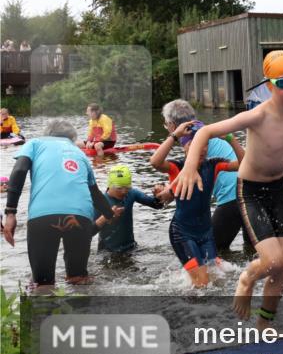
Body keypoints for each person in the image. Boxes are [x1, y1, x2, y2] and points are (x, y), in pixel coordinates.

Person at [173, 51, 283, 327]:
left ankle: (264, 325)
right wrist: (189, 167)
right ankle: (247, 278)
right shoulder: (257, 116)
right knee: (271, 261)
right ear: (270, 86)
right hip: (250, 191)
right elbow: (205, 132)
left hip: (279, 191)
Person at [2, 119, 119, 289]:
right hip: (80, 216)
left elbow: (19, 170)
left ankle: (43, 301)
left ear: (47, 134)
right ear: (72, 138)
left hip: (43, 215)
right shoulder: (80, 153)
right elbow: (95, 193)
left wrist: (10, 212)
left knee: (42, 285)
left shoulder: (35, 143)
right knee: (78, 280)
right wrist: (109, 215)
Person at [150, 120, 242, 288]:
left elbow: (244, 163)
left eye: (204, 144)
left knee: (215, 281)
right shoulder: (177, 167)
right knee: (202, 284)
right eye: (192, 144)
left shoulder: (213, 165)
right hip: (183, 233)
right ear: (184, 147)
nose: (201, 148)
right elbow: (155, 162)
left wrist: (230, 138)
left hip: (206, 234)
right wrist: (175, 135)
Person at [160, 99, 247, 252]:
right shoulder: (206, 131)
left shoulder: (193, 140)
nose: (166, 128)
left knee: (211, 251)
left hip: (232, 196)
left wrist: (170, 192)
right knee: (253, 251)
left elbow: (188, 175)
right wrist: (171, 190)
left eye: (166, 125)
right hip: (250, 191)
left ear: (173, 125)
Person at [92, 164, 165, 254]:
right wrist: (107, 217)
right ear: (110, 185)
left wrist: (159, 195)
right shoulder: (100, 203)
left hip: (131, 248)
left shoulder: (131, 193)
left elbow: (157, 205)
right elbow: (90, 231)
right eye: (119, 188)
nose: (123, 191)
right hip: (108, 252)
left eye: (127, 187)